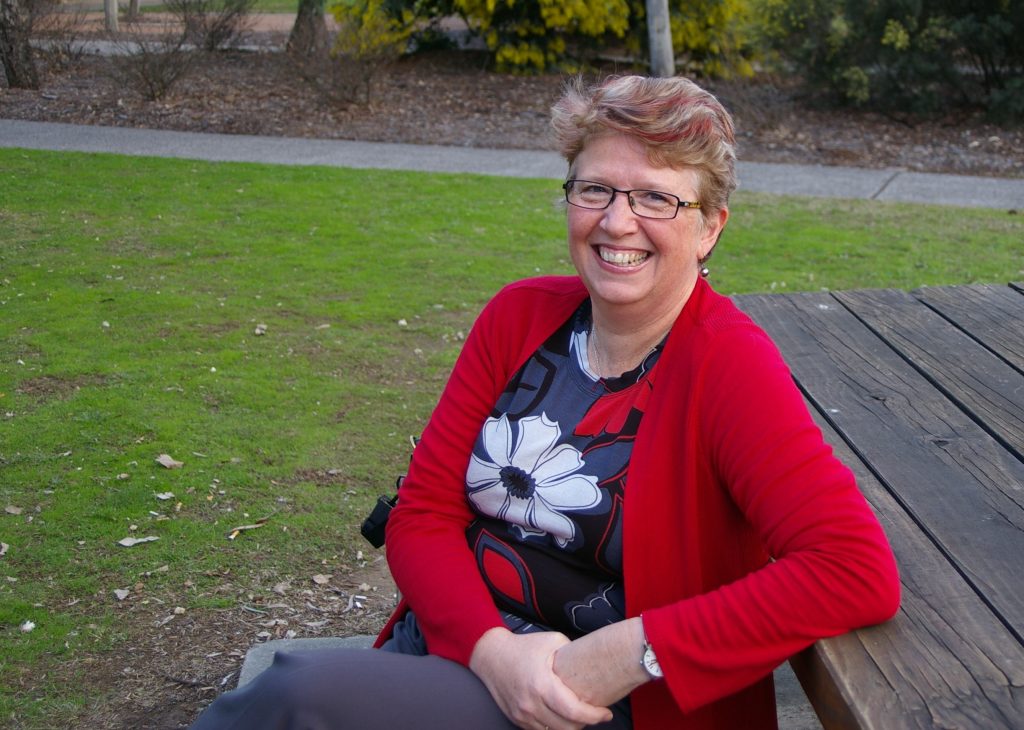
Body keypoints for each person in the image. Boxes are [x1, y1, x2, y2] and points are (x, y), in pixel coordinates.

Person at [190, 74, 900, 730]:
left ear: (710, 225)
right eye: (594, 189)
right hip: (459, 646)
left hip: (589, 703)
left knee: (297, 698)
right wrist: (492, 653)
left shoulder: (727, 364)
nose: (617, 223)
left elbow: (853, 568)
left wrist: (632, 652)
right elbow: (424, 515)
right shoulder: (521, 318)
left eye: (656, 197)